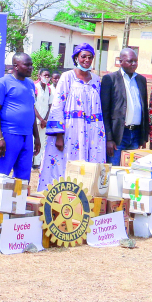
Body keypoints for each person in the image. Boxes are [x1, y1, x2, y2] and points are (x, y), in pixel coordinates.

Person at [39, 43, 105, 191]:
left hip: (93, 132)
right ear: (76, 58)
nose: (87, 60)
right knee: (66, 164)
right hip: (70, 132)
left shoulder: (96, 80)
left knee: (90, 166)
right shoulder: (67, 77)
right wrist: (59, 135)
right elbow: (57, 106)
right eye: (83, 56)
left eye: (90, 57)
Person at [0, 53, 41, 181]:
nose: (30, 68)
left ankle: (18, 201)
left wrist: (37, 138)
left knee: (23, 179)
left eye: (31, 65)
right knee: (0, 176)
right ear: (16, 66)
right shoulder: (3, 83)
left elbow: (31, 111)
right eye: (26, 65)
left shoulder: (30, 84)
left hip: (27, 136)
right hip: (9, 134)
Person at [101, 48, 149, 167]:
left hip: (136, 134)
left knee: (132, 172)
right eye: (130, 61)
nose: (134, 64)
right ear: (120, 61)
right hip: (118, 135)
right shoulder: (110, 79)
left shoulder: (141, 80)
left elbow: (144, 109)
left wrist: (143, 137)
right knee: (115, 171)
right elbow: (105, 111)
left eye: (136, 61)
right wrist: (109, 139)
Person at [33, 68, 52, 168]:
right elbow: (33, 105)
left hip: (44, 121)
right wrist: (40, 119)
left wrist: (45, 120)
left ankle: (37, 163)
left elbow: (50, 105)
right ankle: (30, 162)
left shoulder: (49, 89)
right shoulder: (35, 87)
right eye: (45, 75)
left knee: (41, 141)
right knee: (33, 141)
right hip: (35, 120)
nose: (47, 77)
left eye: (48, 76)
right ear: (39, 76)